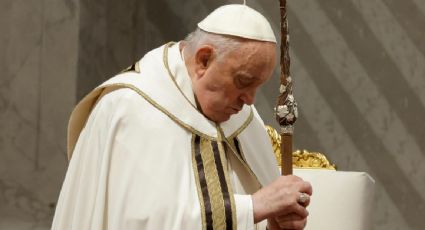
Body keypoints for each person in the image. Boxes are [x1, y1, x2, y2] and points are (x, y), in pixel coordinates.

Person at [52, 4, 312, 230]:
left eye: (258, 87)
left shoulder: (242, 119)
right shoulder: (131, 109)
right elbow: (139, 223)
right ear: (204, 60)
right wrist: (254, 207)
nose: (250, 100)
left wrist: (272, 224)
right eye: (243, 81)